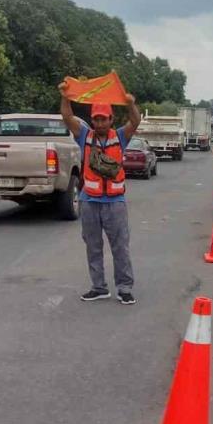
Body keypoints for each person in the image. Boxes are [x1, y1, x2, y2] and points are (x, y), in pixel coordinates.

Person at [59, 83, 142, 305]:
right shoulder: (85, 135)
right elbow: (68, 118)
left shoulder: (120, 137)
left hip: (115, 202)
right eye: (96, 118)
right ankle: (99, 287)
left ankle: (124, 288)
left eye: (103, 118)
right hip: (89, 202)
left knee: (120, 247)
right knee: (93, 246)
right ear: (93, 120)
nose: (99, 122)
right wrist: (66, 97)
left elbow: (135, 121)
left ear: (111, 119)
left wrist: (131, 104)